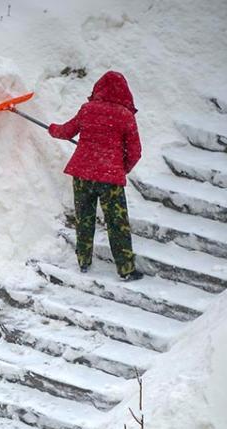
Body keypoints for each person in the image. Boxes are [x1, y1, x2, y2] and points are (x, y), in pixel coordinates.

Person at [48, 71, 144, 281]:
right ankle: (126, 269)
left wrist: (52, 128)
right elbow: (135, 151)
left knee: (84, 218)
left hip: (83, 174)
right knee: (117, 222)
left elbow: (66, 132)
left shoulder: (88, 109)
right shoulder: (125, 116)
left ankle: (83, 260)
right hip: (110, 178)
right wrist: (121, 167)